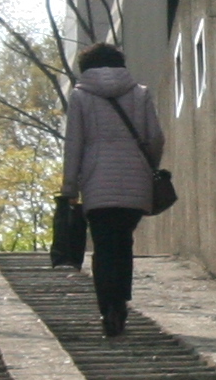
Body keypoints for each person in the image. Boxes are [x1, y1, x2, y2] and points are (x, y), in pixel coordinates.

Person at [59, 42, 166, 339]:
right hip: (135, 180)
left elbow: (74, 145)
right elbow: (155, 137)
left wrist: (70, 187)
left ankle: (108, 308)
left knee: (104, 246)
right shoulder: (140, 93)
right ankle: (120, 304)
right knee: (123, 243)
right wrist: (148, 166)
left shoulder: (80, 97)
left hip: (96, 183)